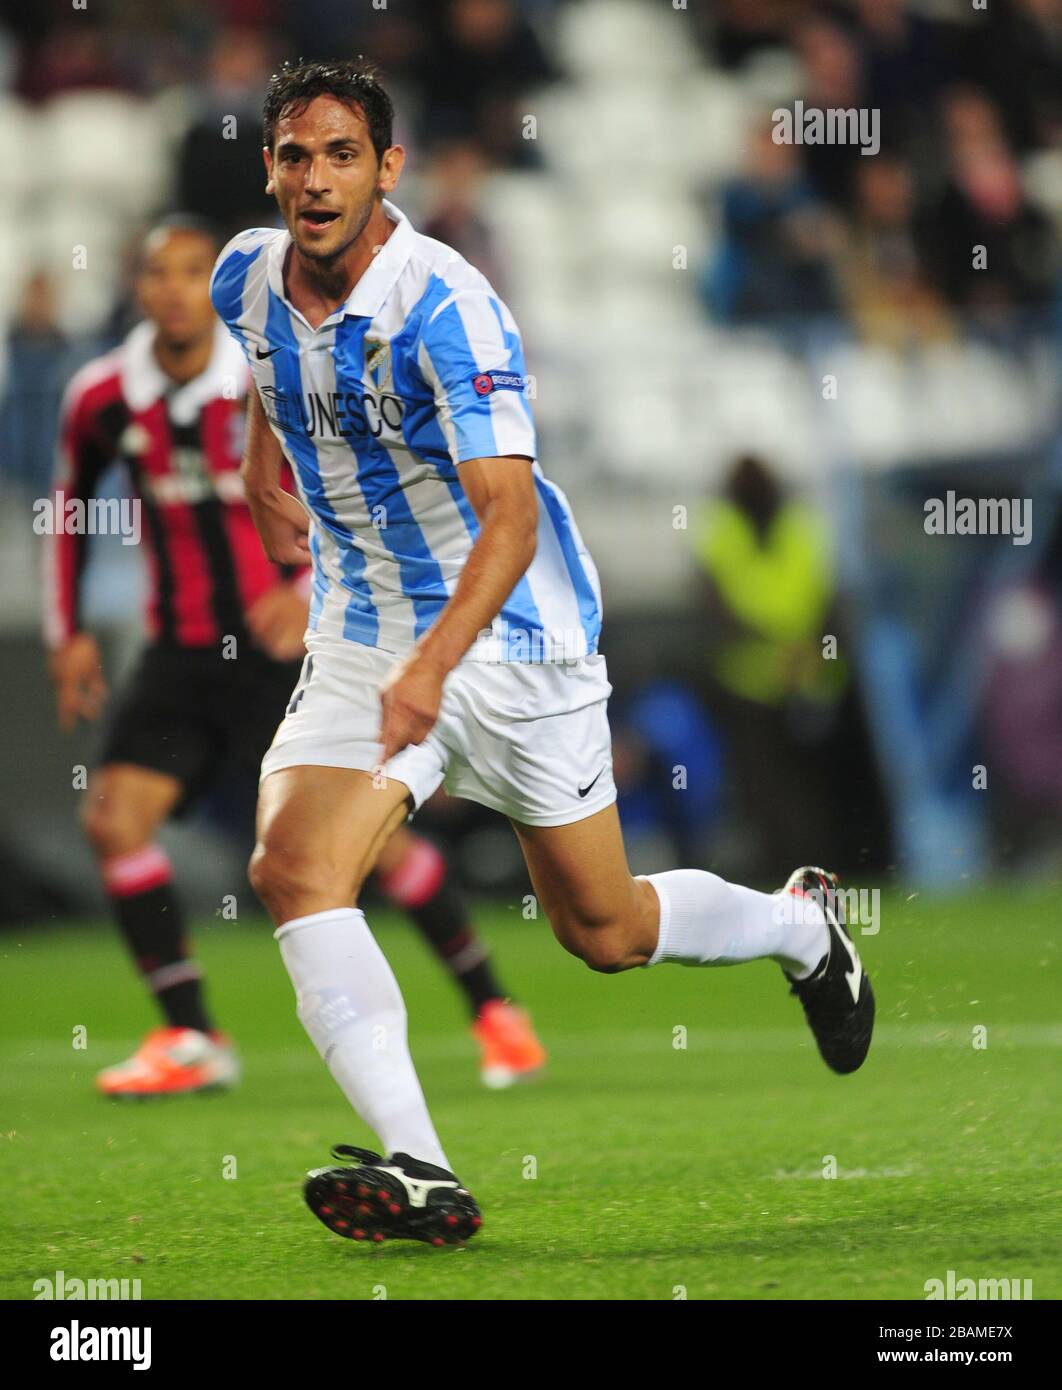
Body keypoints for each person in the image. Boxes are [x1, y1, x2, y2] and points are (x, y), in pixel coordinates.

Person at [213, 58, 875, 1249]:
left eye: (342, 155)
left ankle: (798, 929)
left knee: (604, 930)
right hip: (365, 630)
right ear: (269, 166)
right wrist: (268, 483)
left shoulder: (446, 307)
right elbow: (270, 379)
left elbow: (508, 521)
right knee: (294, 867)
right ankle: (422, 1166)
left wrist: (434, 668)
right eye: (295, 155)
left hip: (508, 637)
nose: (316, 179)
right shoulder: (243, 280)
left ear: (389, 170)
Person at [45, 217, 545, 1099]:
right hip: (179, 651)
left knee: (371, 854)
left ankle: (494, 1010)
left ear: (211, 283)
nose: (173, 288)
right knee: (113, 819)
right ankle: (192, 1033)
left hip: (288, 647)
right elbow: (70, 506)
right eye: (156, 272)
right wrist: (71, 632)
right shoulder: (102, 396)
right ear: (137, 285)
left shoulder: (264, 372)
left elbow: (350, 477)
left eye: (192, 271)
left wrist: (306, 576)